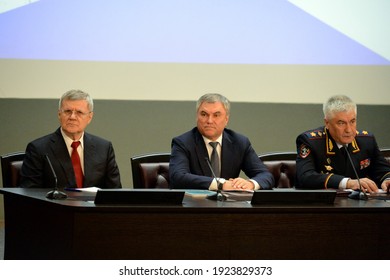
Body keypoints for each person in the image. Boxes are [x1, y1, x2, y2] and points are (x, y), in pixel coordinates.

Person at [169, 93, 274, 190]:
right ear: (197, 116)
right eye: (204, 114)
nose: (209, 121)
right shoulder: (183, 143)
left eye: (216, 115)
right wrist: (221, 184)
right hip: (195, 206)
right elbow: (178, 177)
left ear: (226, 119)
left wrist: (250, 184)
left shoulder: (239, 142)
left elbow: (265, 176)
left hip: (229, 206)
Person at [20, 89, 122, 189]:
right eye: (68, 111)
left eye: (79, 112)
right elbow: (31, 194)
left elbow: (115, 193)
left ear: (90, 117)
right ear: (59, 114)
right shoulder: (38, 149)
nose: (72, 117)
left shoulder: (104, 148)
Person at [295, 95, 390, 193]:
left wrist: (387, 180)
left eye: (352, 121)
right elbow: (305, 177)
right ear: (327, 123)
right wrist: (348, 183)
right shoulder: (311, 141)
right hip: (324, 205)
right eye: (341, 123)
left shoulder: (367, 140)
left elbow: (383, 170)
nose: (349, 130)